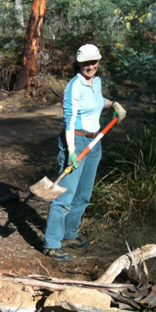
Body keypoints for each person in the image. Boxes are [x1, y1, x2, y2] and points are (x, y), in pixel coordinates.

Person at [42, 44, 126, 261]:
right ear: (79, 63)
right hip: (76, 141)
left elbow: (97, 102)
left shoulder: (96, 82)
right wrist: (71, 151)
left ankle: (70, 235)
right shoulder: (73, 87)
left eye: (94, 62)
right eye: (86, 63)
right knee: (64, 195)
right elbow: (69, 121)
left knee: (83, 195)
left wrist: (113, 104)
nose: (91, 66)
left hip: (95, 140)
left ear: (98, 62)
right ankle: (51, 243)